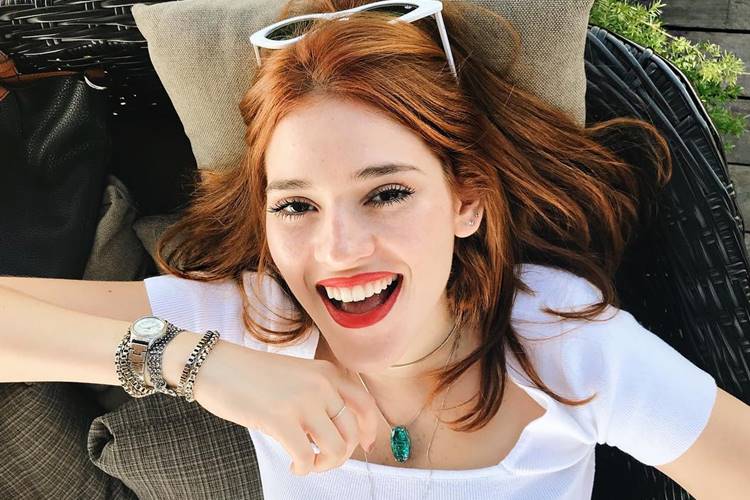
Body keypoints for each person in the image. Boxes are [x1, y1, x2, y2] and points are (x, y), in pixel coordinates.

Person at [2, 1, 749, 499]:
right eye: (296, 205)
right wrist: (197, 364)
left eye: (386, 193)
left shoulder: (559, 340)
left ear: (466, 200)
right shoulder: (260, 316)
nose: (338, 250)